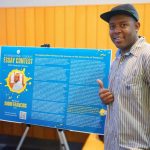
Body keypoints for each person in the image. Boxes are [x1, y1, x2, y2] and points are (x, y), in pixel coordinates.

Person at [97, 4, 150, 150]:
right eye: (112, 26)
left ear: (137, 26)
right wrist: (106, 97)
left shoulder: (147, 56)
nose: (116, 31)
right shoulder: (117, 59)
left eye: (123, 25)